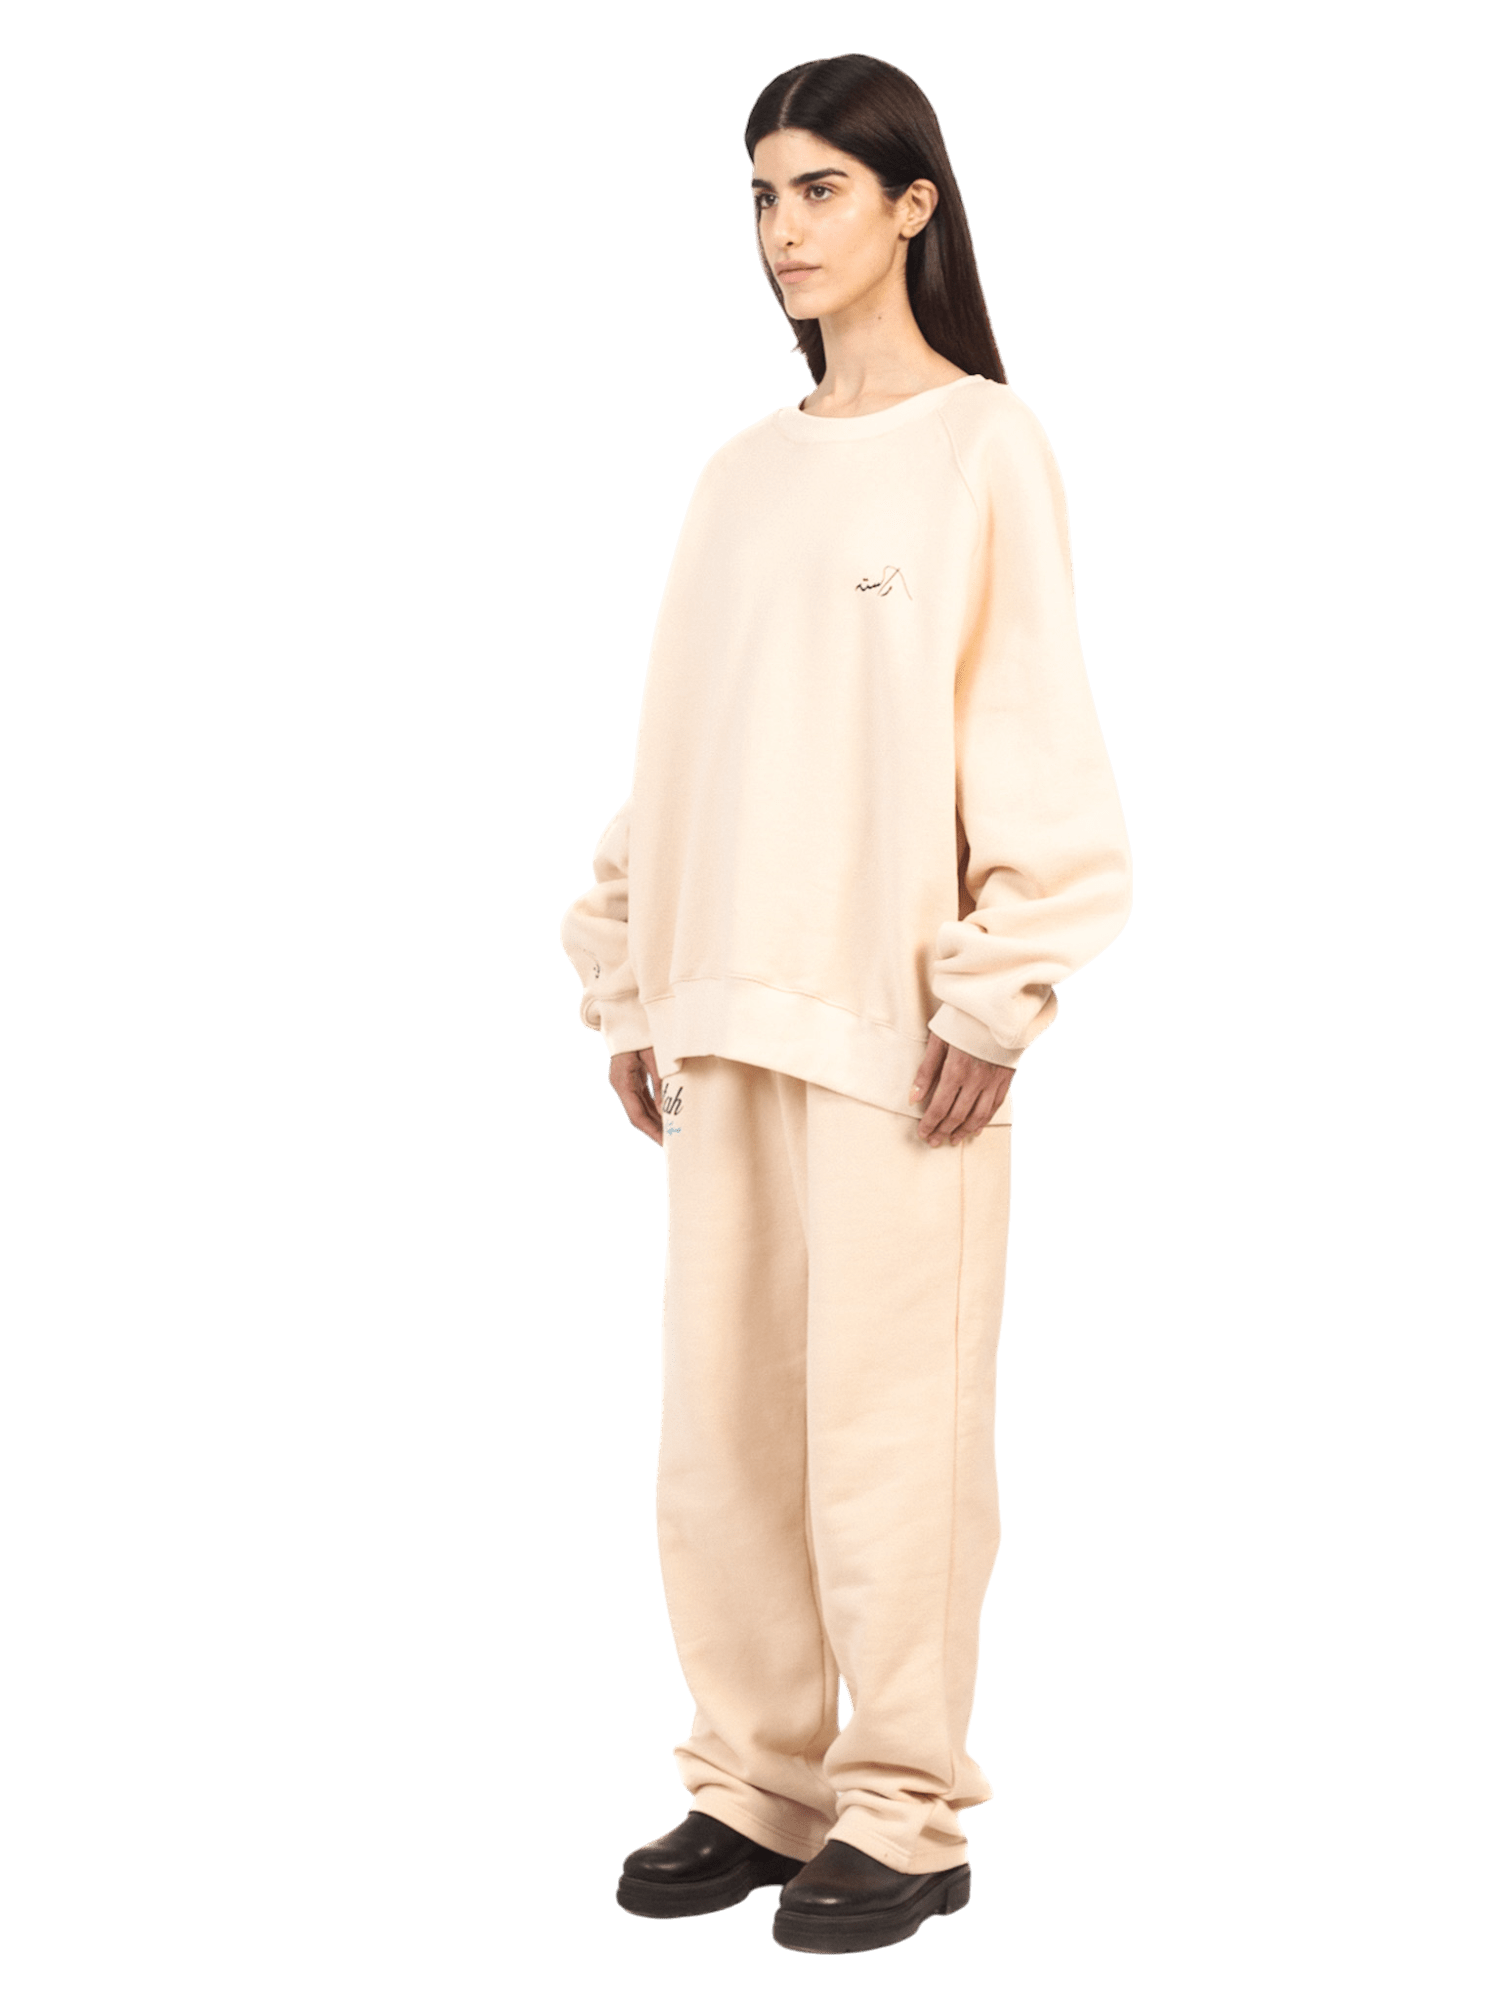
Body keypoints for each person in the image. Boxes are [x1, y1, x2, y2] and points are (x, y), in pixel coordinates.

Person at [558, 53, 1133, 1957]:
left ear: (913, 207)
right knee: (723, 1437)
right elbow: (680, 742)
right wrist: (630, 972)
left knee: (894, 1438)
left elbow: (1030, 729)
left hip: (901, 1038)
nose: (782, 231)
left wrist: (996, 990)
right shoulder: (739, 473)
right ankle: (756, 1780)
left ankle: (901, 1808)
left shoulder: (987, 447)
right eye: (761, 197)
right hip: (722, 1013)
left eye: (820, 190)